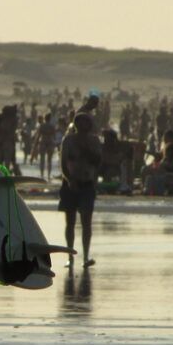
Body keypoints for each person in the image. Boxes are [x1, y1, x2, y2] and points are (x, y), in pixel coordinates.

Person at [59, 112, 101, 268]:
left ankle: (85, 255)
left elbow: (97, 162)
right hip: (70, 184)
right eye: (80, 122)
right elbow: (63, 163)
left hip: (87, 183)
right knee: (70, 223)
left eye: (86, 122)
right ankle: (70, 256)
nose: (83, 125)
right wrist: (70, 180)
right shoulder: (68, 140)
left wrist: (86, 148)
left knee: (86, 222)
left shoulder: (94, 141)